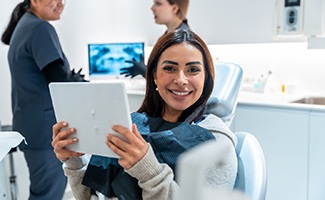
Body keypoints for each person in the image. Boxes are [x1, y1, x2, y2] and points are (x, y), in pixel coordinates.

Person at [52, 29, 238, 200]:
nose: (181, 80)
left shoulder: (215, 142)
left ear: (206, 78)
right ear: (154, 75)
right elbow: (92, 196)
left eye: (193, 70)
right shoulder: (129, 125)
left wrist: (149, 171)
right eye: (170, 68)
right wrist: (73, 160)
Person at [1, 0, 86, 199]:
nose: (60, 4)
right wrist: (75, 81)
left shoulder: (25, 25)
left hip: (33, 126)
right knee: (48, 194)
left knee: (44, 192)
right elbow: (58, 80)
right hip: (44, 129)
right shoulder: (39, 28)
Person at [120, 0, 190, 78]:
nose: (152, 8)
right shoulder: (167, 37)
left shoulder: (183, 40)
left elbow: (173, 78)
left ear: (174, 8)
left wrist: (145, 71)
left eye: (158, 4)